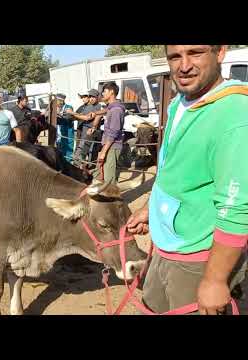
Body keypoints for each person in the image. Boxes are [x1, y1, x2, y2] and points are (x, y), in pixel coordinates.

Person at [127, 45, 248, 315]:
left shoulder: (234, 113)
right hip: (166, 246)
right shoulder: (178, 103)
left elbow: (238, 205)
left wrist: (215, 279)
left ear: (220, 53)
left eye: (195, 53)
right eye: (175, 56)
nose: (183, 66)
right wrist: (152, 209)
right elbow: (174, 169)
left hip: (199, 258)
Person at [91, 82, 124, 184]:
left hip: (112, 146)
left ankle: (112, 198)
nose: (102, 94)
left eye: (104, 91)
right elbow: (105, 110)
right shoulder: (111, 108)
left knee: (109, 178)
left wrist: (104, 152)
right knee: (99, 173)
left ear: (112, 92)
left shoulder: (116, 110)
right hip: (107, 145)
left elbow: (113, 133)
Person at [66, 89, 103, 168]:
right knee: (81, 151)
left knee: (90, 153)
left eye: (93, 97)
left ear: (97, 97)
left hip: (92, 133)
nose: (91, 98)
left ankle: (89, 169)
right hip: (84, 133)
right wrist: (70, 116)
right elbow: (80, 116)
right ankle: (78, 168)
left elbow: (86, 118)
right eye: (90, 97)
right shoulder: (88, 107)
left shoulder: (98, 107)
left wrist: (72, 113)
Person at [55, 94, 75, 162]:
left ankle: (68, 164)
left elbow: (69, 118)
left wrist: (59, 115)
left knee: (68, 149)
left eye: (57, 101)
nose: (56, 102)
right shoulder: (55, 108)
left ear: (61, 101)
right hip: (58, 132)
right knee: (59, 148)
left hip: (67, 132)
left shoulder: (68, 107)